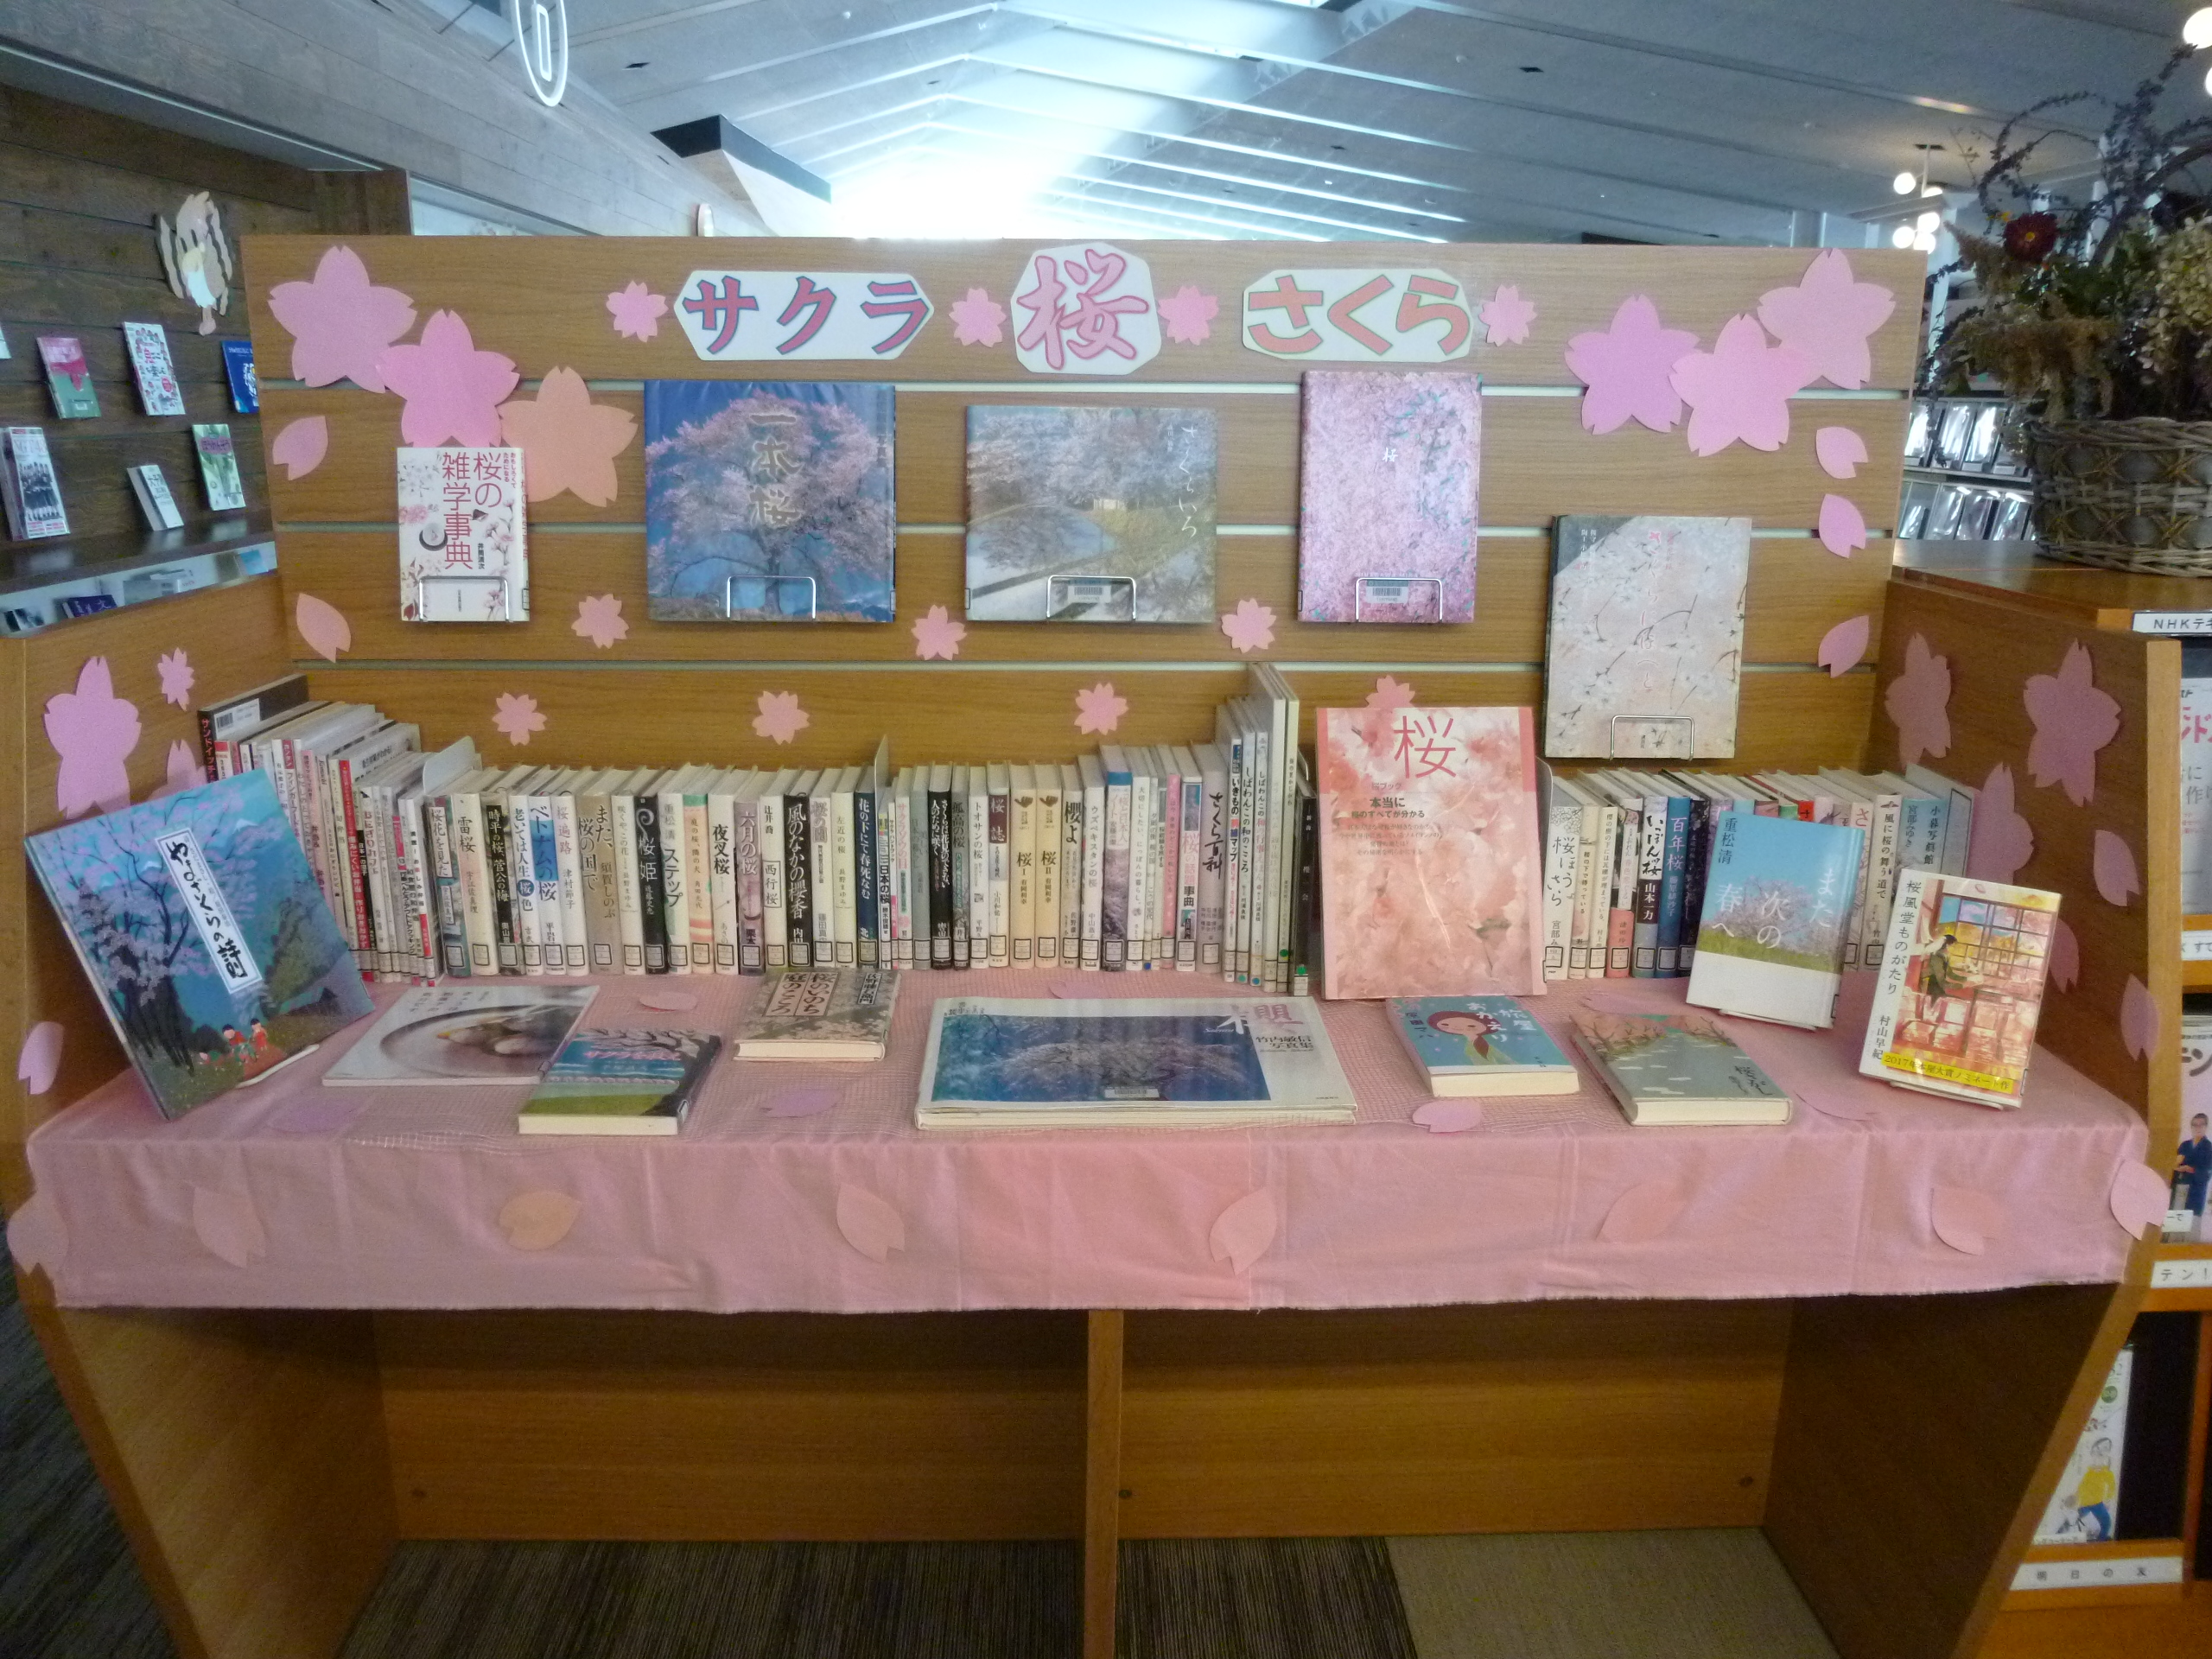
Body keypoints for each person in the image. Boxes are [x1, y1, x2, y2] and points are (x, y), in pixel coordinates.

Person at [2067, 1439, 2118, 1541]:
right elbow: (2082, 1485)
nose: (2098, 1454)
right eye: (2096, 1451)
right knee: (2084, 1522)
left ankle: (2100, 1540)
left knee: (2106, 1522)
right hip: (2084, 1504)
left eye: (2104, 1450)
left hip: (2097, 1504)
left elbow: (2111, 1487)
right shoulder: (2089, 1472)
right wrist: (2076, 1496)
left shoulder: (2107, 1473)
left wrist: (2108, 1500)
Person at [1427, 1007, 1511, 1065]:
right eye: (1445, 1024)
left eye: (1471, 1026)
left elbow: (1502, 1058)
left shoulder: (1484, 1044)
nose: (1456, 1027)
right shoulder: (1466, 1042)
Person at [2177, 1112, 2212, 1220]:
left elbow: (2207, 1173)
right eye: (2195, 1125)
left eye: (2201, 1125)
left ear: (2206, 1127)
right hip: (2181, 1188)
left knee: (2192, 1222)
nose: (2198, 1128)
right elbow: (2177, 1163)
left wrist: (2190, 1169)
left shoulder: (2209, 1147)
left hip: (2196, 1190)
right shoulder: (2185, 1145)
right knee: (2176, 1222)